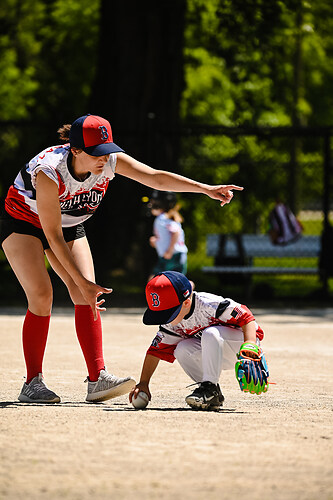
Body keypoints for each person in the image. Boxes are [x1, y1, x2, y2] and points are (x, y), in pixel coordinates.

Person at [0, 114, 243, 404]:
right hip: (23, 223)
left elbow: (154, 176)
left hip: (68, 224)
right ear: (75, 149)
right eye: (96, 153)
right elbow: (51, 235)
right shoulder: (49, 171)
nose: (104, 159)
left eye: (107, 150)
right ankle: (32, 383)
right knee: (42, 295)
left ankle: (97, 378)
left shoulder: (110, 160)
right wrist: (82, 281)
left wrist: (205, 189)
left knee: (84, 293)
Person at [130, 271, 269, 411]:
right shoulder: (171, 323)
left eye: (168, 313)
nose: (164, 319)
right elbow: (155, 351)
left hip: (241, 346)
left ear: (186, 302)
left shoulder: (209, 304)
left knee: (210, 333)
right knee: (182, 349)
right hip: (215, 352)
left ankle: (209, 385)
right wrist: (143, 383)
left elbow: (246, 317)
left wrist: (250, 344)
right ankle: (210, 391)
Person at [148, 190, 188, 280]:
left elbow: (176, 232)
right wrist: (157, 242)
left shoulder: (162, 218)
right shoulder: (170, 218)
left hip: (171, 256)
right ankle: (189, 288)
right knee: (177, 282)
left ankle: (190, 286)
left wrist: (169, 251)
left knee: (153, 280)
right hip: (179, 254)